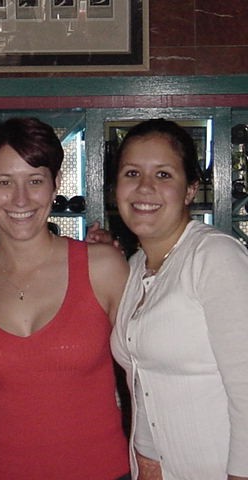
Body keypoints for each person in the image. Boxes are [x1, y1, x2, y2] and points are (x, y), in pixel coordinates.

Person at [0, 117, 131, 479]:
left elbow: (147, 378)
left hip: (102, 470)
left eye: (35, 181)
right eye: (4, 182)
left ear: (55, 184)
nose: (20, 199)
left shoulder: (102, 267)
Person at [110, 119, 248, 480]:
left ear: (190, 190)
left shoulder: (214, 257)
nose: (145, 187)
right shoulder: (135, 266)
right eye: (132, 173)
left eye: (163, 175)